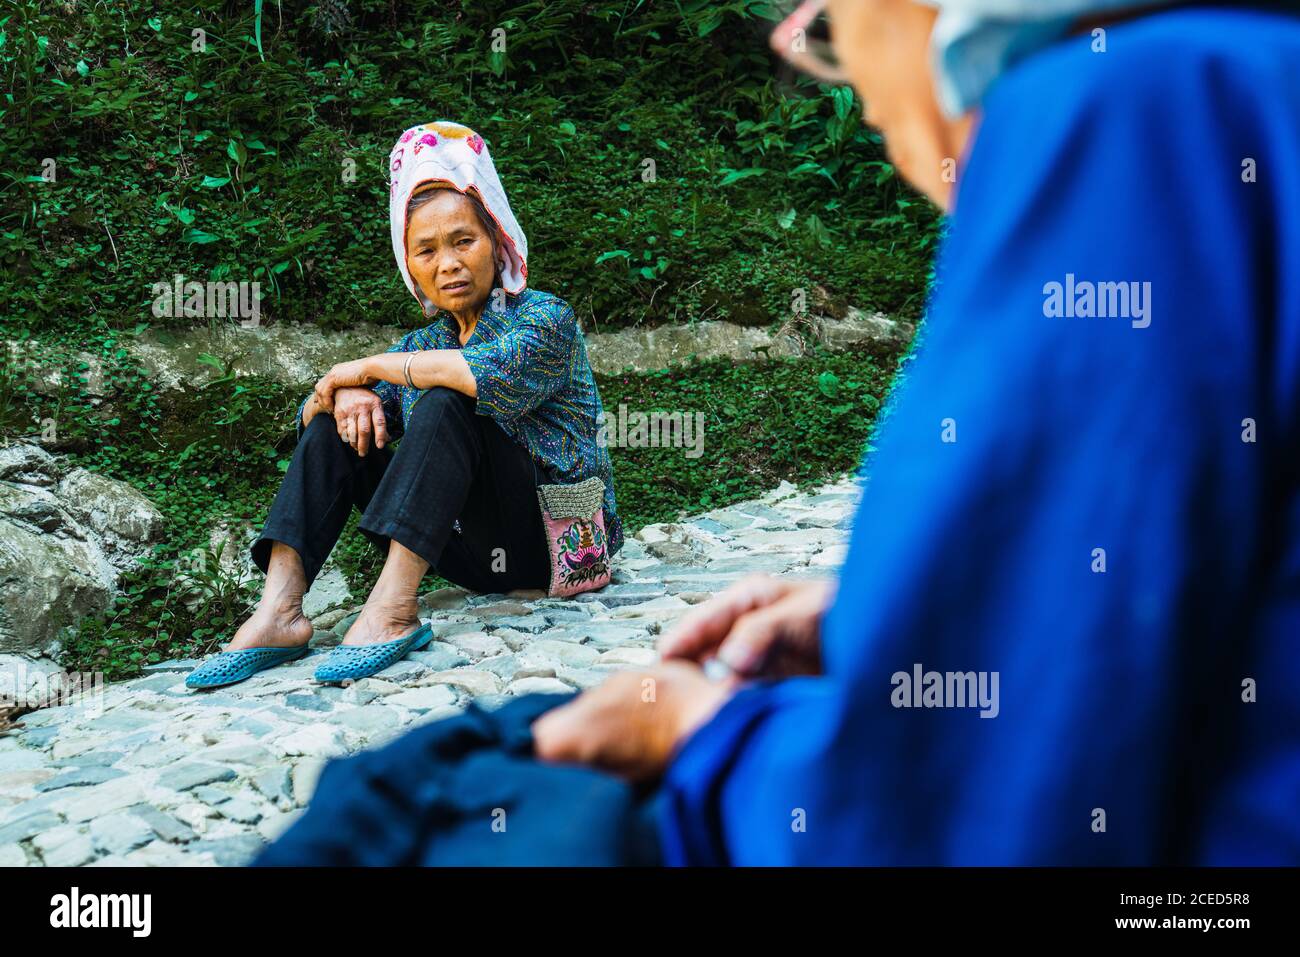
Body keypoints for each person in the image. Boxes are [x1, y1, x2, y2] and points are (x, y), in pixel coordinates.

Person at [530, 0, 1300, 864]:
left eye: (825, 25)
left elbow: (964, 808)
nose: (839, 81)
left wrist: (700, 729)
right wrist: (902, 612)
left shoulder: (1122, 111)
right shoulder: (1255, 73)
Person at [186, 120, 621, 690]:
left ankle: (392, 609)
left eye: (464, 240)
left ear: (497, 240)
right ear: (410, 266)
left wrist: (362, 369)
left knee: (447, 397)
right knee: (337, 425)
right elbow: (307, 420)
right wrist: (344, 393)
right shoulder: (422, 344)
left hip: (556, 550)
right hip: (473, 556)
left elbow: (474, 376)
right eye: (427, 250)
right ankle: (280, 612)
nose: (449, 264)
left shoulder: (545, 318)